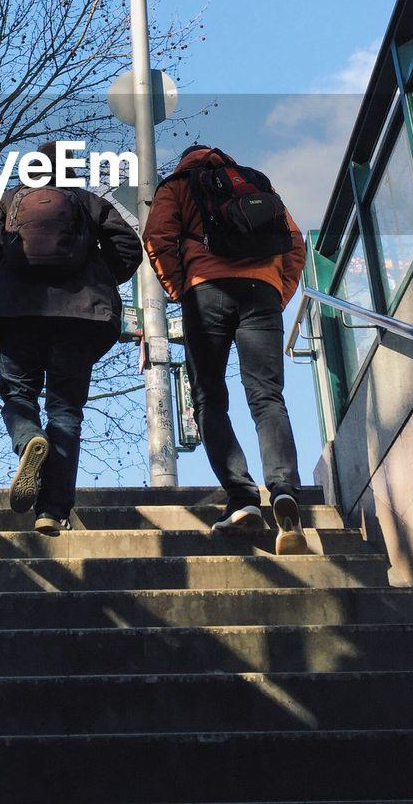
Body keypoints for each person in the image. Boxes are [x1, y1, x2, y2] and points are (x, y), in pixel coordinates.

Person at [0, 142, 143, 534]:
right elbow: (130, 246)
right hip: (80, 319)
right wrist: (99, 277)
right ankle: (52, 511)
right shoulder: (86, 201)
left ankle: (29, 437)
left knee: (18, 395)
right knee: (65, 410)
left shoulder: (9, 202)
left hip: (16, 315)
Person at [143, 144, 309, 554]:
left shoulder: (178, 185)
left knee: (209, 399)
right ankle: (284, 489)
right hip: (263, 294)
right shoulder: (254, 180)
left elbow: (156, 238)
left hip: (207, 292)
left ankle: (241, 497)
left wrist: (182, 289)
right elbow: (294, 243)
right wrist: (277, 293)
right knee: (268, 397)